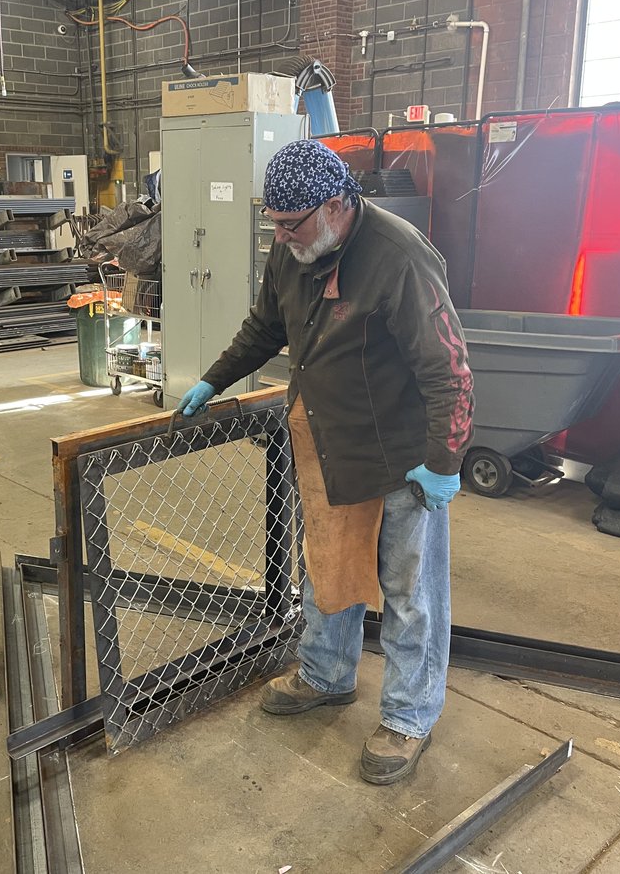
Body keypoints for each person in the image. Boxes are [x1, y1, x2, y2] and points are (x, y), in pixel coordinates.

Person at [176, 139, 474, 785]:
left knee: (409, 592)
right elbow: (265, 327)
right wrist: (214, 379)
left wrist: (444, 460)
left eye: (292, 224)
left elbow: (447, 368)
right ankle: (327, 675)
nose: (281, 238)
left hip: (399, 458)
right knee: (326, 568)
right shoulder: (295, 250)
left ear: (337, 205)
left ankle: (409, 716)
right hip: (326, 443)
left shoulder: (398, 257)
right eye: (274, 225)